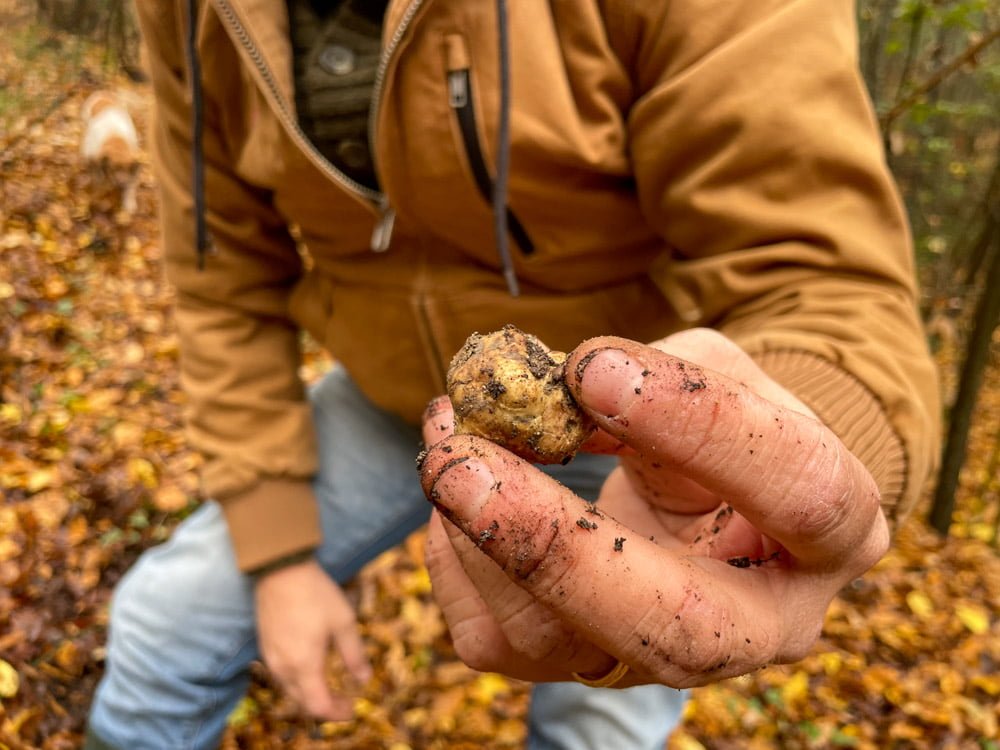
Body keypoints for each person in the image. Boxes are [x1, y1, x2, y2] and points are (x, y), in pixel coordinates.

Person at [85, 0, 940, 747]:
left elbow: (821, 273)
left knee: (602, 723)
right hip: (386, 400)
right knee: (168, 625)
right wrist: (278, 557)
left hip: (652, 420)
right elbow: (221, 282)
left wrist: (787, 454)